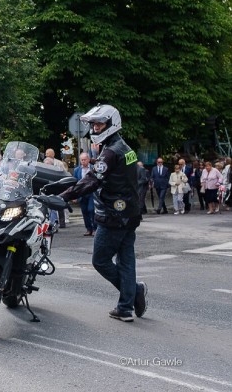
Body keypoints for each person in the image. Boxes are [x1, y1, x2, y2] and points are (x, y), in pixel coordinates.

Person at [58, 105, 147, 322]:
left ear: (111, 124)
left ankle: (134, 293)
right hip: (129, 213)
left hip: (113, 216)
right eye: (94, 124)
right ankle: (125, 307)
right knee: (126, 260)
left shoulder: (111, 151)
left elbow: (92, 180)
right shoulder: (125, 148)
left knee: (100, 261)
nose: (95, 128)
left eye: (99, 124)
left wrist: (63, 196)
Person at [72, 152, 96, 236]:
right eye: (81, 160)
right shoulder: (77, 170)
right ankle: (88, 229)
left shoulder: (94, 168)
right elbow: (74, 183)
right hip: (81, 193)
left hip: (92, 193)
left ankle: (94, 228)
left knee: (91, 210)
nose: (83, 161)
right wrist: (74, 195)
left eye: (85, 160)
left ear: (88, 160)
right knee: (84, 211)